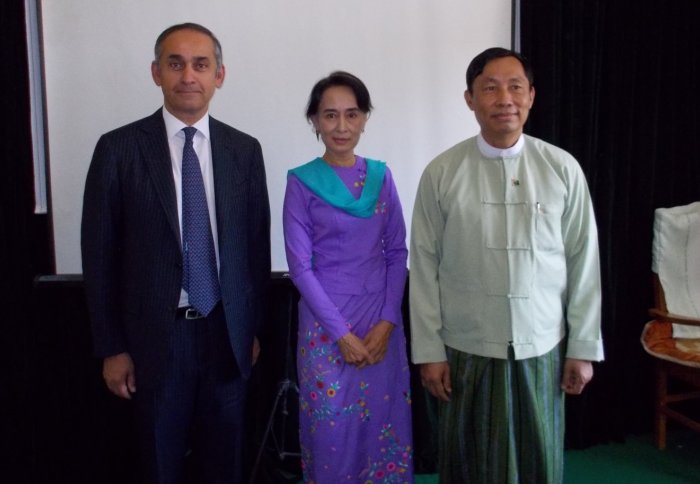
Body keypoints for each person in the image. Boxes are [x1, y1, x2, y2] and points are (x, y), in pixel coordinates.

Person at [81, 23, 270, 484]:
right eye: (176, 63)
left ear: (219, 75)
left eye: (201, 64)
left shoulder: (244, 150)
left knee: (224, 462)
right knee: (158, 463)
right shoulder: (119, 148)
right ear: (156, 72)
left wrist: (252, 327)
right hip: (153, 341)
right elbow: (99, 255)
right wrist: (112, 347)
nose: (189, 75)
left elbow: (255, 248)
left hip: (226, 334)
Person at [409, 47, 604, 483]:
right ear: (469, 99)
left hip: (542, 348)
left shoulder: (562, 169)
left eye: (515, 87)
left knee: (540, 463)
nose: (504, 98)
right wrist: (429, 352)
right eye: (490, 88)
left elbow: (583, 261)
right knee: (468, 464)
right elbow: (423, 266)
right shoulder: (442, 173)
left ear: (531, 95)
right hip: (466, 350)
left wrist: (583, 348)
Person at [283, 71, 413, 482]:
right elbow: (300, 267)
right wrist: (342, 334)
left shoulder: (381, 176)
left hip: (381, 320)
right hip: (326, 326)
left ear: (364, 119)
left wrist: (388, 322)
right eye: (330, 116)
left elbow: (396, 251)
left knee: (383, 422)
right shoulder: (301, 182)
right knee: (332, 430)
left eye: (351, 115)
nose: (342, 127)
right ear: (315, 121)